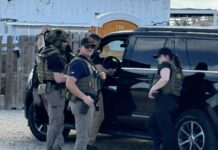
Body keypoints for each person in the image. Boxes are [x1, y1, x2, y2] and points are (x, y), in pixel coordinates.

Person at [66, 38, 106, 150]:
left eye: (92, 47)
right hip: (81, 104)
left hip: (87, 103)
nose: (90, 49)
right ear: (80, 47)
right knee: (82, 137)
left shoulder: (87, 62)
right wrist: (84, 97)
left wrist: (100, 75)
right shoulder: (78, 63)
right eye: (87, 46)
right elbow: (70, 83)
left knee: (85, 136)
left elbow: (88, 80)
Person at [36, 29, 68, 150]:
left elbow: (40, 44)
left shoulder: (45, 51)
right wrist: (72, 78)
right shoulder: (55, 56)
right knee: (56, 122)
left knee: (56, 120)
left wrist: (41, 34)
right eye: (64, 41)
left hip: (46, 91)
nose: (66, 44)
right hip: (55, 92)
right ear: (58, 42)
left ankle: (56, 146)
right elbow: (59, 78)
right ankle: (50, 147)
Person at [148, 47, 183, 150]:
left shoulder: (165, 65)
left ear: (166, 56)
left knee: (166, 130)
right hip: (171, 102)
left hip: (164, 101)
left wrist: (152, 89)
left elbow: (165, 79)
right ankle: (158, 146)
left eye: (159, 57)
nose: (158, 59)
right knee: (150, 124)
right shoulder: (176, 67)